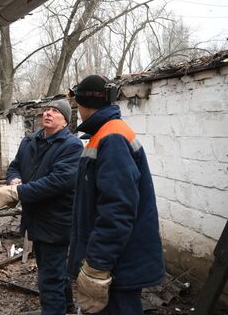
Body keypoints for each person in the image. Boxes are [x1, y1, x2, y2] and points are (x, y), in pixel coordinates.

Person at [67, 75, 165, 314]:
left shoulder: (111, 138)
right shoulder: (108, 133)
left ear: (82, 104)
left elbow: (117, 209)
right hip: (117, 263)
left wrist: (97, 268)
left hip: (116, 268)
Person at [0, 99, 83, 315]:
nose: (48, 113)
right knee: (53, 271)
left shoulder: (72, 146)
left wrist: (18, 193)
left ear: (65, 121)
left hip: (56, 222)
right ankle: (68, 308)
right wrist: (14, 180)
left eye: (55, 111)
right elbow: (14, 166)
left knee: (49, 280)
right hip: (35, 219)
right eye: (47, 109)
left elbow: (58, 182)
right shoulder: (30, 141)